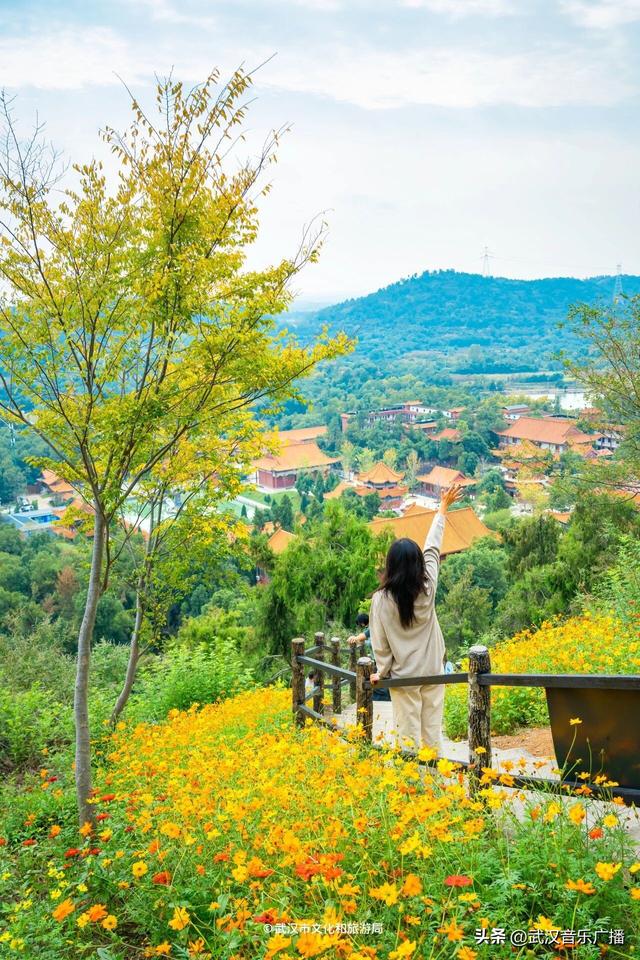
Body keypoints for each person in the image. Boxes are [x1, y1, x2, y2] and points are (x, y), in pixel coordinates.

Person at [369, 484, 463, 753]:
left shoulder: (381, 599)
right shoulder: (428, 587)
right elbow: (432, 547)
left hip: (404, 676)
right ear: (418, 564)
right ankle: (435, 776)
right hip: (433, 670)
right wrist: (442, 508)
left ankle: (411, 778)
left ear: (390, 565)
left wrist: (382, 671)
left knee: (407, 736)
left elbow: (380, 643)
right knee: (432, 732)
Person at [347, 613, 391, 702]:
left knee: (380, 685)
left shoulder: (375, 626)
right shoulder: (379, 626)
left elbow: (366, 639)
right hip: (383, 660)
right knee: (381, 683)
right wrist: (357, 639)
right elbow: (364, 637)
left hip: (383, 660)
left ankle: (382, 703)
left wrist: (356, 639)